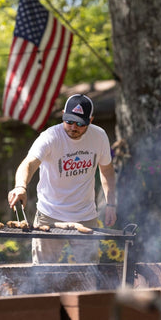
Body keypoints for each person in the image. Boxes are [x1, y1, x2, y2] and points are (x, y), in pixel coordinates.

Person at [8, 94, 117, 264]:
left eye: (80, 124)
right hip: (49, 215)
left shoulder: (99, 136)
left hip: (85, 215)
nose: (73, 127)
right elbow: (29, 163)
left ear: (91, 120)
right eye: (69, 121)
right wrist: (20, 186)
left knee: (88, 272)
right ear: (63, 114)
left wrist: (111, 203)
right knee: (42, 275)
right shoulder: (50, 137)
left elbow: (107, 171)